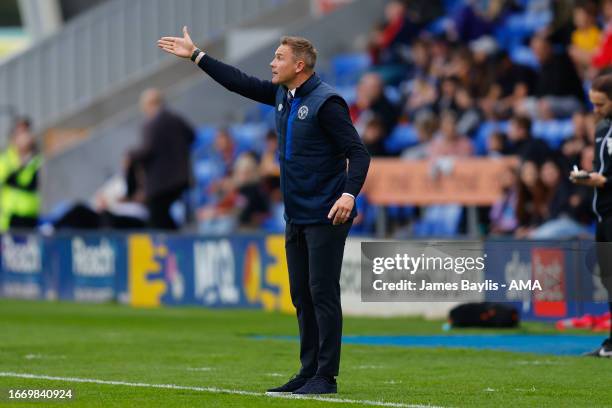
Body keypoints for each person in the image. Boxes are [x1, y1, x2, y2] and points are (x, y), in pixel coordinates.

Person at [157, 28, 370, 393]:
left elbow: (358, 152)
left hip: (326, 214)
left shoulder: (326, 102)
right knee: (301, 296)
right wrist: (197, 56)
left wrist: (349, 196)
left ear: (299, 65)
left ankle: (326, 376)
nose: (272, 63)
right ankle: (307, 371)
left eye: (279, 58)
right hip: (296, 214)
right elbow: (237, 83)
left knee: (322, 293)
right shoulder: (282, 96)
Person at [570, 74, 612, 357]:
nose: (595, 109)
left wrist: (602, 181)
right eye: (593, 103)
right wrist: (590, 178)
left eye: (600, 104)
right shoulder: (601, 129)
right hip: (603, 216)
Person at [129, 88, 195, 230]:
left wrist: (130, 156)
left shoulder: (151, 124)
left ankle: (170, 246)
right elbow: (192, 136)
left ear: (150, 104)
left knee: (157, 217)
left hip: (160, 182)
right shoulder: (176, 118)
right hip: (181, 178)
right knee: (163, 215)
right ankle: (177, 240)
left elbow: (147, 150)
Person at [0, 117, 43, 231]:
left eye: (27, 132)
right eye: (21, 133)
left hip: (31, 216)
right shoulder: (6, 159)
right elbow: (5, 180)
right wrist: (21, 164)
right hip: (11, 218)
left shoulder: (36, 159)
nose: (24, 137)